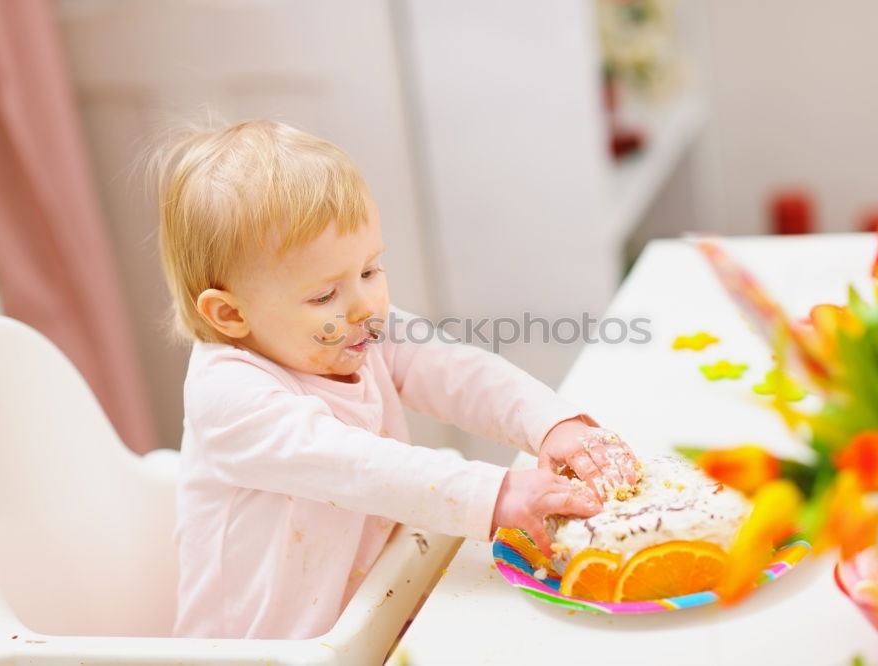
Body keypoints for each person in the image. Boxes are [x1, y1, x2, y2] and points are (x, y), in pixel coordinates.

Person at [155, 119, 639, 639]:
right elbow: (356, 466)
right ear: (230, 315)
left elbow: (457, 372)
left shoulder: (353, 330)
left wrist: (551, 425)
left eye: (369, 271)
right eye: (323, 296)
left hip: (373, 616)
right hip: (266, 653)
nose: (365, 305)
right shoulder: (229, 397)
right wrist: (497, 494)